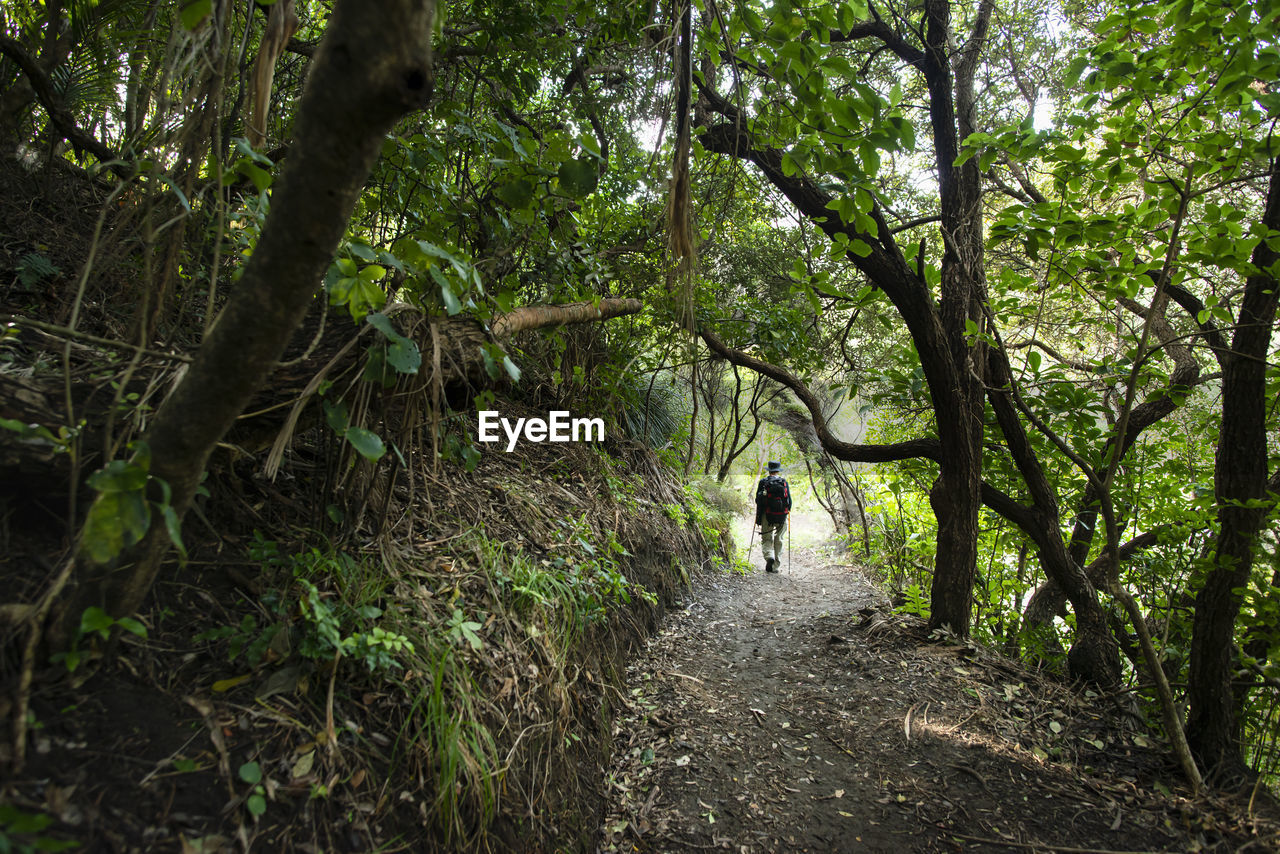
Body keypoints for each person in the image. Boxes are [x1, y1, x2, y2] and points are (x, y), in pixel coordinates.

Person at [754, 461, 791, 573]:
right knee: (779, 539)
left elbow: (758, 500)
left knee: (766, 538)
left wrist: (759, 518)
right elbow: (789, 501)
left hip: (767, 515)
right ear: (778, 470)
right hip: (782, 516)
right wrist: (786, 511)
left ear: (769, 470)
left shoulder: (763, 482)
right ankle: (775, 565)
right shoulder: (784, 482)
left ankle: (769, 557)